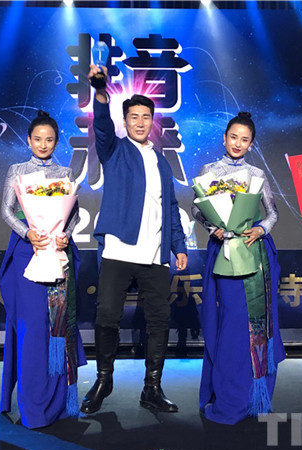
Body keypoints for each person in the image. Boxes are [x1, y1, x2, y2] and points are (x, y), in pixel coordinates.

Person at [80, 65, 188, 414]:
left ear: (153, 122)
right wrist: (100, 92)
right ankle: (104, 379)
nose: (140, 123)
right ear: (125, 121)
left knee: (159, 320)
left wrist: (178, 246)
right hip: (119, 249)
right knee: (107, 316)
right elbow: (101, 125)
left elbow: (170, 206)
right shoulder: (114, 150)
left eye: (145, 117)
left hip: (155, 255)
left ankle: (152, 388)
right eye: (133, 117)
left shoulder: (161, 161)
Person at [192, 112, 285, 425]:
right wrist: (213, 227)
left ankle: (255, 394)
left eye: (245, 140)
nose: (238, 143)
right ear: (224, 138)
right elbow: (196, 209)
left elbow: (272, 213)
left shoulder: (256, 174)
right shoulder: (209, 171)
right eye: (234, 137)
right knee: (230, 322)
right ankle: (227, 393)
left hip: (253, 252)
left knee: (255, 324)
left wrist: (260, 229)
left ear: (251, 144)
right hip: (223, 252)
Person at [0, 110, 86, 428]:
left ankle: (59, 403)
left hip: (58, 253)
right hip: (28, 254)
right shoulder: (17, 170)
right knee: (32, 328)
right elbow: (6, 210)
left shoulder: (65, 172)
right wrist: (28, 233)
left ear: (56, 142)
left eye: (49, 140)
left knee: (57, 328)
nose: (43, 144)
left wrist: (66, 234)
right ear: (28, 140)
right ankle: (33, 405)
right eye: (38, 139)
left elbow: (74, 213)